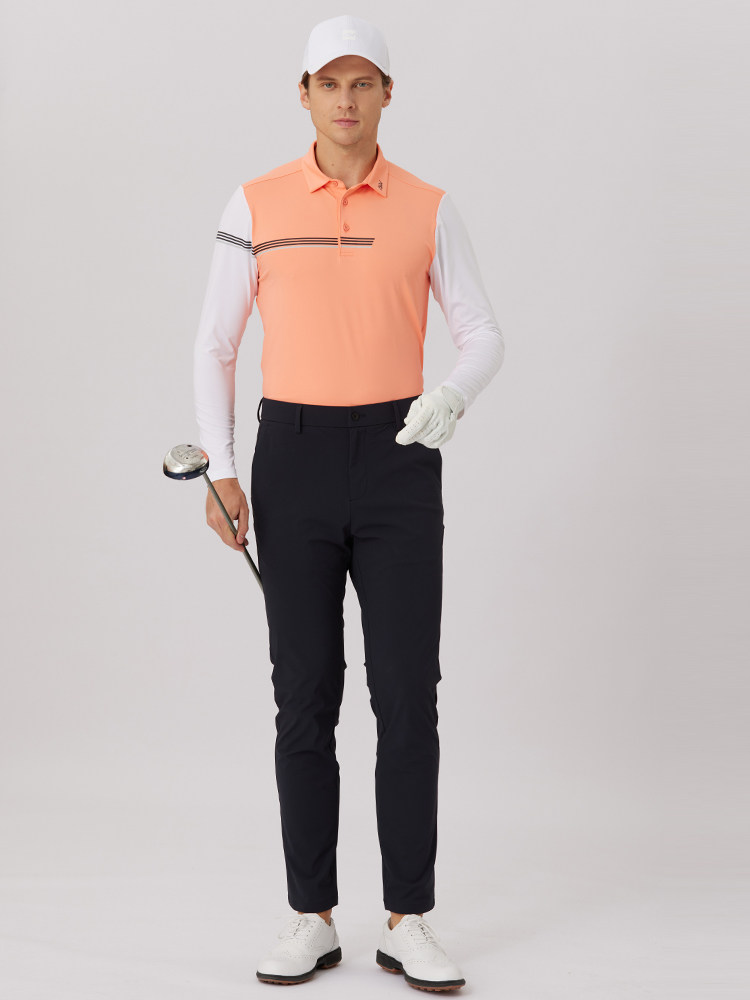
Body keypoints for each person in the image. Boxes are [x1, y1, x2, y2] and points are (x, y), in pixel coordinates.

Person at [193, 14, 504, 991]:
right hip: (290, 458)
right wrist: (221, 467)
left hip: (400, 460)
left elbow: (482, 332)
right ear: (303, 94)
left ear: (387, 94)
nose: (345, 99)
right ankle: (311, 915)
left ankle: (409, 917)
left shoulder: (429, 207)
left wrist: (451, 396)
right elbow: (215, 343)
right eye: (329, 83)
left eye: (363, 82)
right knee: (304, 694)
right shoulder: (255, 201)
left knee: (407, 693)